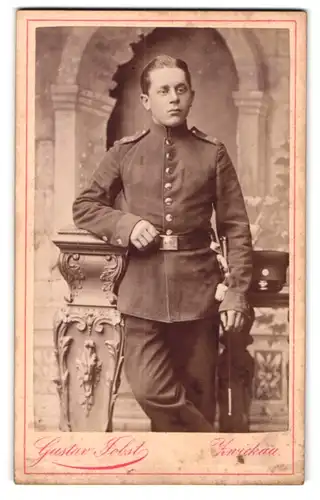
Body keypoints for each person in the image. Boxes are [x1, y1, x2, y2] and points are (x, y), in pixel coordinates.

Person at [73, 54, 253, 432]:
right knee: (152, 391)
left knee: (199, 397)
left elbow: (235, 225)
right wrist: (125, 223)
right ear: (146, 100)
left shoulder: (212, 153)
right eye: (163, 90)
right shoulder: (124, 152)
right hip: (141, 292)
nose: (173, 98)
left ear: (190, 96)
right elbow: (85, 206)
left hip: (200, 293)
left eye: (181, 89)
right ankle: (219, 450)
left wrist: (236, 293)